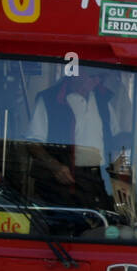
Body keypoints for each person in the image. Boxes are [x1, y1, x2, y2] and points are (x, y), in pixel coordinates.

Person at [25, 68, 117, 210]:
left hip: (99, 180)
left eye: (100, 77)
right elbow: (32, 143)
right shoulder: (50, 99)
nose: (97, 81)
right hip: (62, 182)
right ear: (77, 74)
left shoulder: (103, 100)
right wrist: (55, 167)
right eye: (93, 76)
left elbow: (116, 140)